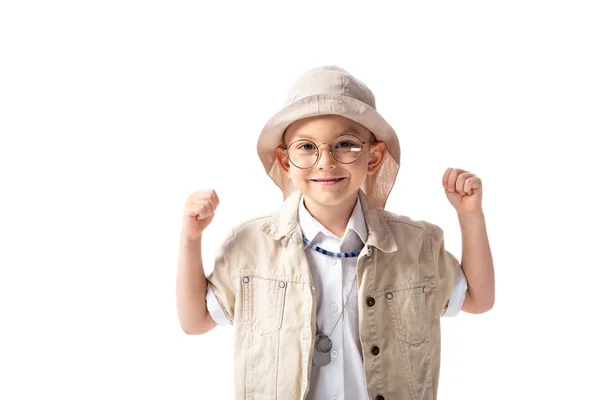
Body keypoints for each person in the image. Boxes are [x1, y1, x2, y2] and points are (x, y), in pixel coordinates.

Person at [176, 65, 495, 400]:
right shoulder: (250, 246)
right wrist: (190, 238)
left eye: (345, 144)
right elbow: (195, 321)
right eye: (306, 147)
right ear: (285, 161)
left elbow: (478, 298)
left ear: (374, 156)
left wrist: (470, 215)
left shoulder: (415, 246)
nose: (325, 161)